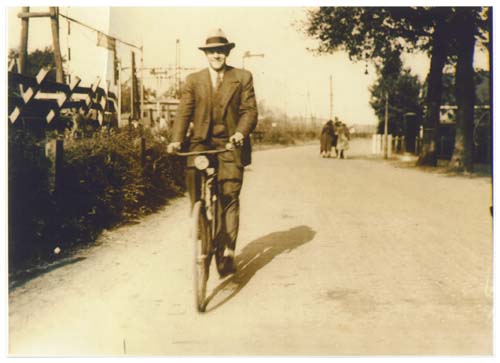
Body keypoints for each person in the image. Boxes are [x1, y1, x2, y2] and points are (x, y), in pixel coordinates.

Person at [167, 28, 258, 276]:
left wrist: (240, 133)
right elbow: (184, 112)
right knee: (193, 178)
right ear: (206, 55)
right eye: (212, 52)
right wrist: (176, 140)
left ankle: (227, 250)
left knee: (228, 194)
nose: (216, 55)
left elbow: (249, 111)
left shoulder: (242, 77)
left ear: (227, 53)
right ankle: (199, 220)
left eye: (220, 51)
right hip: (201, 144)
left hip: (230, 144)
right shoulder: (194, 80)